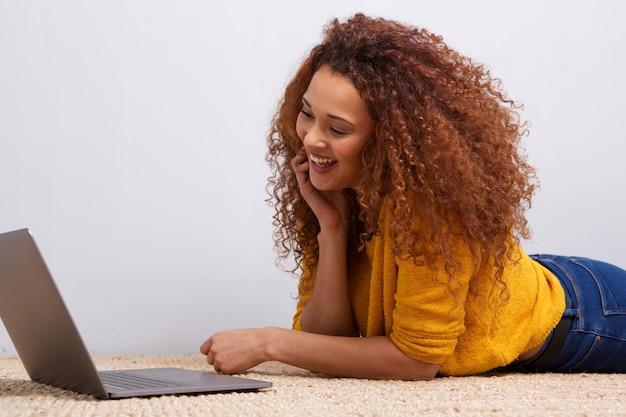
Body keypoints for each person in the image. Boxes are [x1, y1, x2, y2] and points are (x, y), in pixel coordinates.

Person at [200, 13, 626, 380]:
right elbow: (328, 342)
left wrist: (271, 342)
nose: (311, 138)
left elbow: (417, 360)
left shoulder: (430, 207)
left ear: (387, 140)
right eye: (307, 113)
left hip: (587, 315)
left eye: (339, 129)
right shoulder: (340, 191)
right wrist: (332, 231)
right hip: (526, 280)